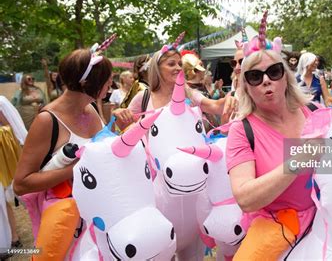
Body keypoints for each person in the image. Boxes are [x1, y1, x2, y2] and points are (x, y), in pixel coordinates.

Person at [226, 32, 321, 260]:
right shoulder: (242, 130)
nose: (266, 80)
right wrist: (298, 160)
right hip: (276, 228)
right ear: (246, 86)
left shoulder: (316, 113)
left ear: (286, 77)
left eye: (274, 72)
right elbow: (245, 198)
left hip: (326, 222)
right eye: (255, 77)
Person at [13, 48, 113, 260]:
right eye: (107, 81)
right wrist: (77, 168)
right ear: (88, 84)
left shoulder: (91, 109)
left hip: (98, 212)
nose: (110, 86)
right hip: (69, 222)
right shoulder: (47, 121)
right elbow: (21, 184)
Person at [114, 37, 237, 128]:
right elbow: (122, 126)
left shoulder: (188, 94)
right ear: (157, 69)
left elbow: (214, 106)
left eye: (179, 64)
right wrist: (119, 114)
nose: (178, 68)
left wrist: (230, 99)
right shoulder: (144, 97)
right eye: (171, 64)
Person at [0, 96, 27, 251]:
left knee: (10, 196)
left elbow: (9, 130)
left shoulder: (1, 102)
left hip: (5, 157)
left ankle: (13, 237)